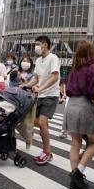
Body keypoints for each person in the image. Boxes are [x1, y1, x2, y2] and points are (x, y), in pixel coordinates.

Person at [62, 41, 94, 189]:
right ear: (91, 52)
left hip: (71, 105)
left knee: (75, 142)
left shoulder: (74, 69)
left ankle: (74, 177)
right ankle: (79, 171)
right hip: (85, 105)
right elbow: (93, 91)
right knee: (93, 142)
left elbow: (68, 89)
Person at [32, 35, 60, 166]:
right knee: (37, 122)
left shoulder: (53, 58)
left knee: (42, 123)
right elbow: (37, 78)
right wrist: (26, 84)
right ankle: (47, 150)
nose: (36, 46)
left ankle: (47, 152)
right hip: (41, 95)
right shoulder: (38, 61)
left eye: (38, 44)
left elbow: (55, 77)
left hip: (51, 94)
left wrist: (41, 88)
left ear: (45, 44)